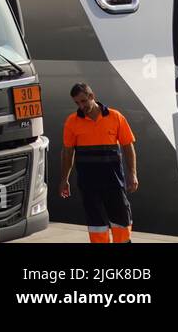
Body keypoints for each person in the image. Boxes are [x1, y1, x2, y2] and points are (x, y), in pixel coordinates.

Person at [59, 82, 137, 243]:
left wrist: (133, 174)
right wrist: (64, 179)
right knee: (96, 224)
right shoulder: (72, 122)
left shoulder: (115, 117)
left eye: (83, 101)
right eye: (77, 103)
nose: (81, 106)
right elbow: (67, 152)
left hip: (114, 182)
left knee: (122, 220)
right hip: (88, 184)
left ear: (91, 96)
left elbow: (128, 146)